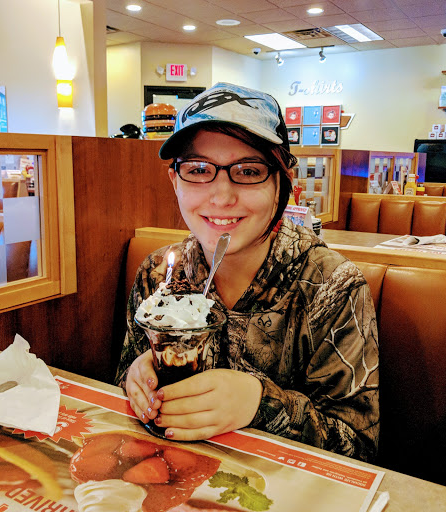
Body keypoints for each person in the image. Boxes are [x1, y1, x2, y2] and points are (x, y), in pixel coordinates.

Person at [116, 83, 379, 462]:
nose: (222, 196)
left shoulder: (331, 287)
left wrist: (259, 403)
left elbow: (359, 448)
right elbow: (122, 384)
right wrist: (136, 379)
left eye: (249, 171)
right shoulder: (158, 275)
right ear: (175, 181)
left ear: (283, 182)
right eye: (198, 169)